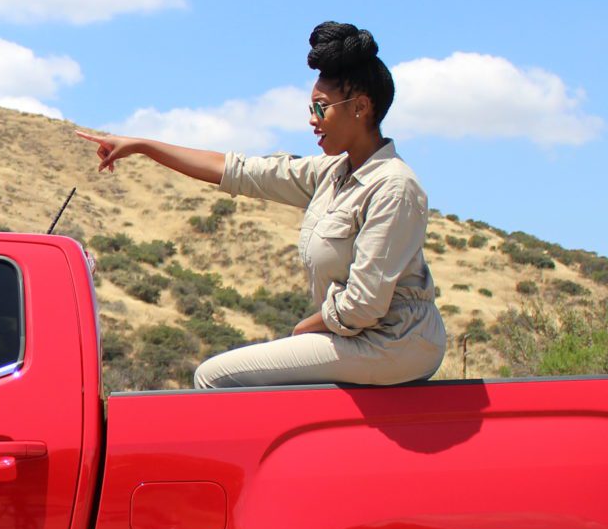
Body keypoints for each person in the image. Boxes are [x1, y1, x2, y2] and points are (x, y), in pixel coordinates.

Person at [75, 21, 446, 388]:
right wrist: (142, 146)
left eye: (321, 109)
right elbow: (236, 171)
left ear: (360, 107)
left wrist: (305, 328)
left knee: (214, 377)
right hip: (356, 336)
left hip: (394, 342)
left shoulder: (393, 187)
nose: (312, 120)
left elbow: (364, 306)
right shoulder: (331, 173)